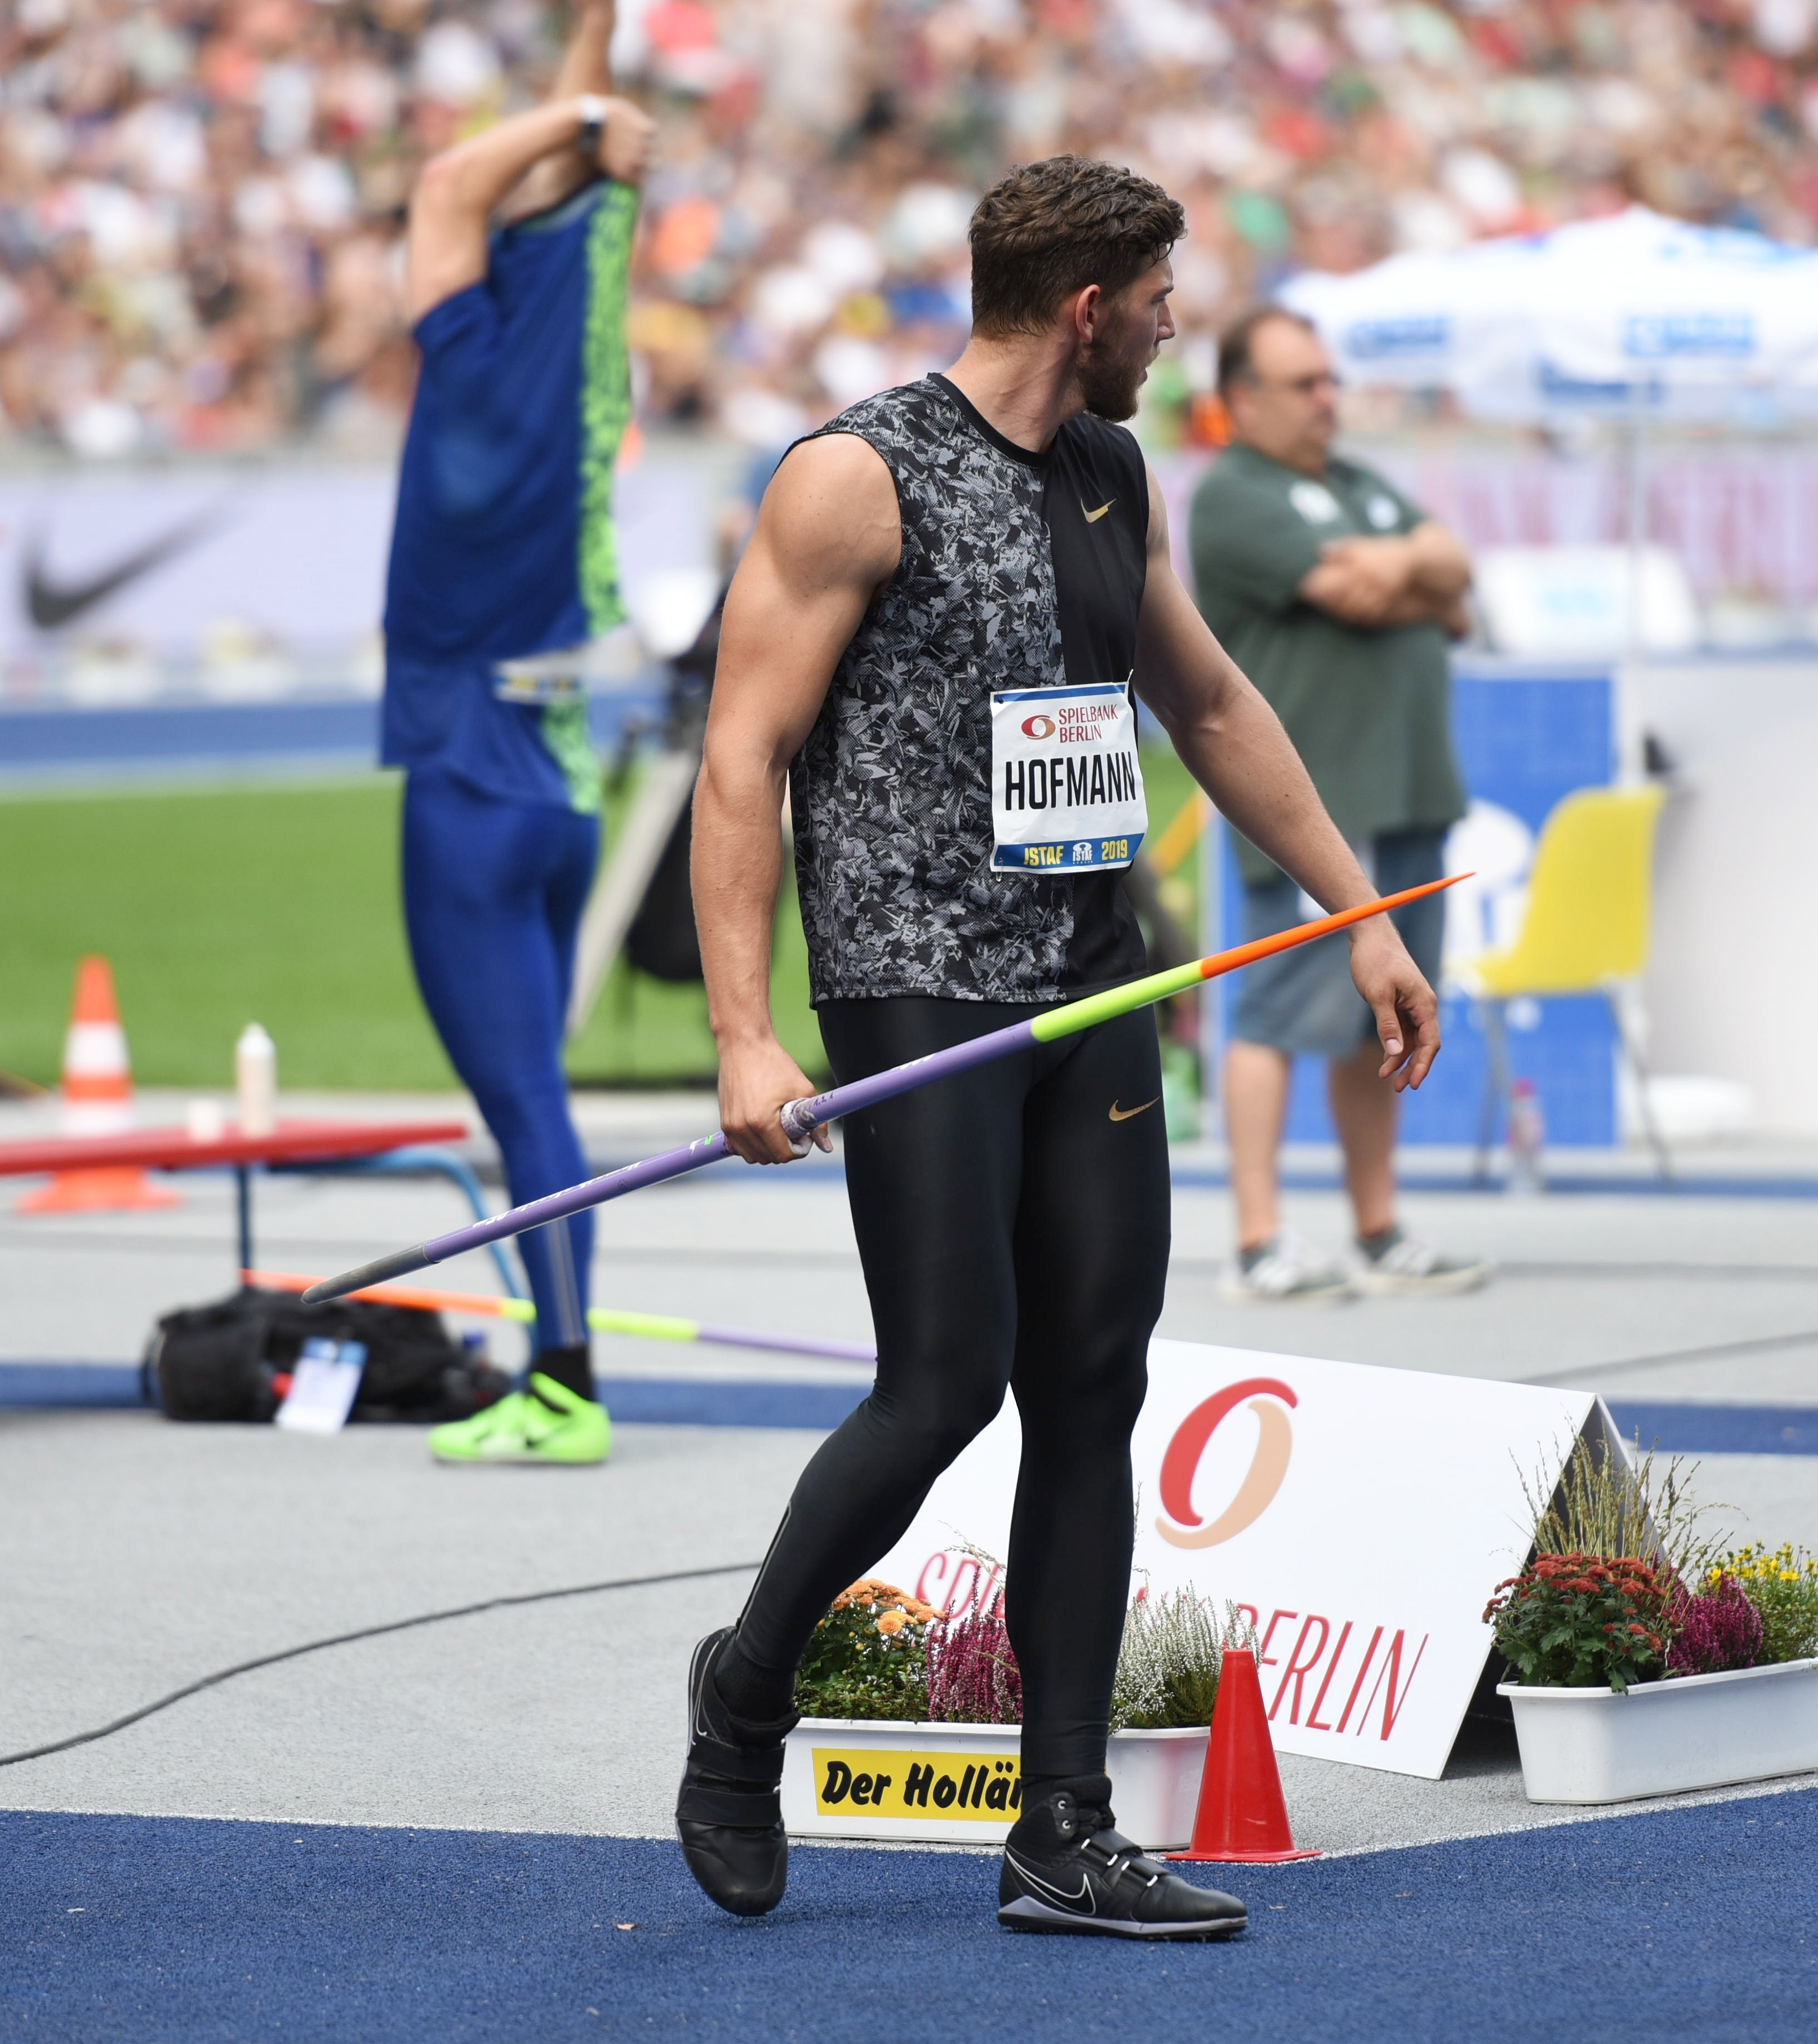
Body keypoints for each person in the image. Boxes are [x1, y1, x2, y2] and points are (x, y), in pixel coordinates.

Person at [677, 156, 1443, 1939]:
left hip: (1092, 983)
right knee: (941, 1383)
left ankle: (1064, 1826)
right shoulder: (852, 479)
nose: (1180, 331)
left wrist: (1359, 918)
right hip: (917, 985)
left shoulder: (1110, 472)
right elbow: (739, 760)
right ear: (1087, 303)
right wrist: (740, 1033)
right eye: (1163, 301)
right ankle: (743, 1691)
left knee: (1092, 1388)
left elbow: (1210, 705)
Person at [379, 4, 656, 1464]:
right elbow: (581, 199)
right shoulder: (583, 342)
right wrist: (594, 58)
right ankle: (555, 1365)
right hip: (554, 777)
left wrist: (570, 124)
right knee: (535, 1104)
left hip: (470, 778)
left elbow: (449, 192)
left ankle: (562, 1381)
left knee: (526, 1113)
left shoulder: (470, 354)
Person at [1190, 306, 1491, 1303]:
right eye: (1305, 382)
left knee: (1388, 1018)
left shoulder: (1357, 484)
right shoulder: (1234, 497)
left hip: (1409, 792)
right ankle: (1257, 1240)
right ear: (1244, 400)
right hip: (1310, 812)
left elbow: (1457, 586)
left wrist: (1406, 568)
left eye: (1330, 379)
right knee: (1276, 1014)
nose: (1329, 397)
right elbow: (1361, 595)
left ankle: (1377, 1226)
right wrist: (1420, 574)